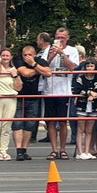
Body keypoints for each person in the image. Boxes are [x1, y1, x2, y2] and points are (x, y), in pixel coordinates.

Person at [38, 29, 79, 159]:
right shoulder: (48, 49)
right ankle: (54, 150)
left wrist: (62, 54)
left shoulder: (72, 50)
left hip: (64, 90)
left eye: (62, 37)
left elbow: (73, 67)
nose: (60, 39)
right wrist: (52, 55)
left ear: (67, 38)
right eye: (57, 37)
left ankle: (63, 149)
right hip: (49, 90)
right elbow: (43, 66)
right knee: (50, 121)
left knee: (62, 121)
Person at [12, 44, 49, 161]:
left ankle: (24, 150)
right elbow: (25, 73)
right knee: (17, 123)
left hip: (34, 96)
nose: (27, 57)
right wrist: (38, 70)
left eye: (29, 55)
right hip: (19, 96)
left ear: (34, 55)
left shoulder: (39, 60)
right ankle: (18, 151)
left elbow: (48, 72)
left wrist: (34, 64)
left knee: (30, 124)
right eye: (25, 55)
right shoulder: (18, 59)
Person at [0, 48, 21, 161]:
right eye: (3, 55)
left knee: (6, 126)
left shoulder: (14, 69)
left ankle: (4, 150)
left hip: (11, 98)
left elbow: (19, 87)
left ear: (11, 57)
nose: (5, 58)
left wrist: (15, 76)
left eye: (7, 55)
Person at [72, 60, 97, 160]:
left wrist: (96, 94)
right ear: (85, 68)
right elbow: (77, 89)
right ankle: (80, 152)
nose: (90, 68)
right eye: (88, 66)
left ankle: (87, 151)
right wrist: (89, 93)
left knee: (89, 130)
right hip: (82, 104)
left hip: (94, 106)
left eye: (92, 66)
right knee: (80, 129)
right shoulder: (80, 77)